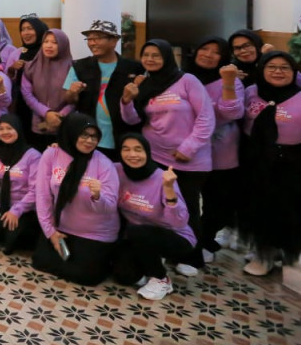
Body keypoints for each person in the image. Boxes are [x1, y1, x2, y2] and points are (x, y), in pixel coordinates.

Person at [119, 39, 214, 273]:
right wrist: (126, 100)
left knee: (188, 208)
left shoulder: (187, 81)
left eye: (156, 55)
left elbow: (206, 117)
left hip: (190, 159)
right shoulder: (144, 84)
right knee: (161, 206)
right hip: (155, 157)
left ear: (167, 58)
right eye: (146, 55)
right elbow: (132, 120)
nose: (150, 59)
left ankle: (191, 257)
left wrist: (187, 148)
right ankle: (164, 250)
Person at [238, 52, 301, 276]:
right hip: (254, 159)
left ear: (294, 73)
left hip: (289, 163)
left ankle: (269, 255)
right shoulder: (251, 92)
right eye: (271, 66)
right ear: (262, 69)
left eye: (284, 68)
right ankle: (263, 250)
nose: (278, 71)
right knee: (254, 208)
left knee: (279, 211)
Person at [32, 113, 120, 286]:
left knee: (86, 276)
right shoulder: (51, 154)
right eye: (84, 135)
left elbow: (110, 208)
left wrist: (98, 196)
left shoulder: (104, 164)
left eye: (94, 137)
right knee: (40, 261)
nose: (89, 141)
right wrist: (50, 232)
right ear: (71, 133)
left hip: (95, 232)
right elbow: (42, 196)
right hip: (61, 227)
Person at [112, 134, 196, 300]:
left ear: (147, 152)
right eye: (126, 149)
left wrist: (169, 190)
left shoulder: (162, 178)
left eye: (138, 149)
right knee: (124, 276)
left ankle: (161, 279)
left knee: (139, 232)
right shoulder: (116, 170)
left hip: (174, 236)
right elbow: (93, 165)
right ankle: (151, 258)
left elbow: (179, 222)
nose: (132, 154)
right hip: (138, 236)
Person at [186, 36, 246, 261]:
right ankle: (187, 243)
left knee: (218, 203)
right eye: (204, 48)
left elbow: (232, 112)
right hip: (187, 152)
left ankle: (205, 240)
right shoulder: (183, 77)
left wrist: (228, 83)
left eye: (216, 52)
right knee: (187, 202)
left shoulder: (230, 81)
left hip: (221, 151)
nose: (208, 55)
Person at [62, 19, 142, 156]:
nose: (93, 43)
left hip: (124, 138)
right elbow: (69, 99)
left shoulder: (134, 68)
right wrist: (71, 92)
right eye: (89, 39)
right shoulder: (80, 66)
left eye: (98, 38)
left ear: (114, 40)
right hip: (89, 139)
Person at [0, 113, 41, 253]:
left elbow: (35, 190)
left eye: (9, 128)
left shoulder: (32, 155)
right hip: (3, 204)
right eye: (1, 129)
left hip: (26, 207)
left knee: (12, 239)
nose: (5, 132)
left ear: (18, 129)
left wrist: (16, 210)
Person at [20, 28, 74, 151]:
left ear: (63, 45)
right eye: (46, 41)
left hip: (63, 125)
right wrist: (46, 113)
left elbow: (75, 98)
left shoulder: (72, 68)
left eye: (55, 42)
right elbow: (27, 94)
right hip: (38, 126)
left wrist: (60, 116)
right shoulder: (30, 67)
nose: (49, 46)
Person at [229, 29, 301, 89]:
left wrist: (267, 58)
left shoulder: (274, 63)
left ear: (258, 45)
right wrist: (230, 80)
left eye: (247, 46)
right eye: (237, 48)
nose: (243, 51)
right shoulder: (232, 69)